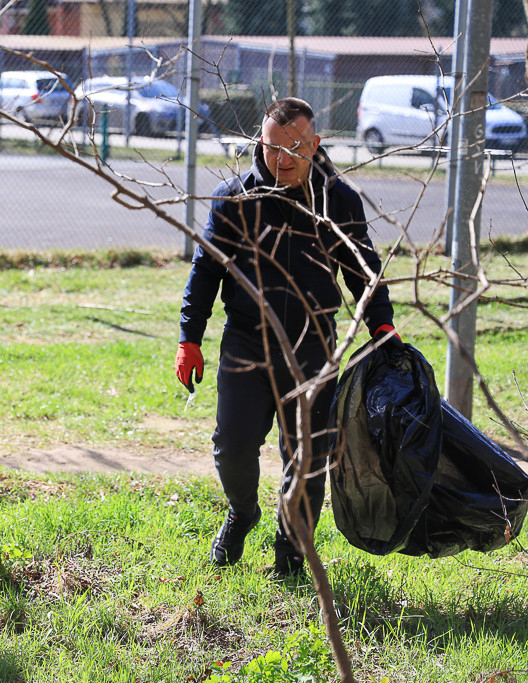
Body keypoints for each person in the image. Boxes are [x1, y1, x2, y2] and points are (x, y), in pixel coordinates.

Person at [175, 97, 399, 577]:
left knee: (307, 456)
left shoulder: (338, 200)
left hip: (313, 345)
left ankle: (291, 551)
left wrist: (382, 324)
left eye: (294, 149)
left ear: (314, 145)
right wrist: (189, 337)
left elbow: (363, 271)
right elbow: (206, 270)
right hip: (247, 343)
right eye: (272, 148)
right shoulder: (234, 197)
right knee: (232, 446)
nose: (281, 160)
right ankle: (242, 513)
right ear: (260, 143)